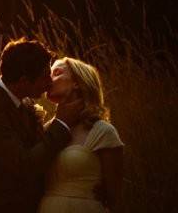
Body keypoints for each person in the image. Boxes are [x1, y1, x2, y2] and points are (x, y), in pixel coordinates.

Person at [0, 39, 84, 213]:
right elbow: (23, 164)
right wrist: (61, 123)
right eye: (45, 75)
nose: (49, 82)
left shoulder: (23, 100)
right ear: (23, 81)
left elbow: (38, 148)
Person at [38, 57, 124, 212]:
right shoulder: (45, 130)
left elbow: (113, 196)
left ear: (77, 82)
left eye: (56, 73)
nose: (48, 79)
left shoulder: (103, 132)